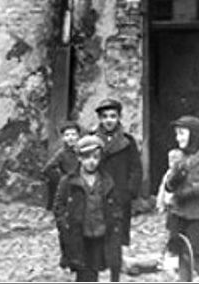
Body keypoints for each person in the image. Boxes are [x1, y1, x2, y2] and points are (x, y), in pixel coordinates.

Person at [53, 134, 123, 282]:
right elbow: (59, 206)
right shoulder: (69, 181)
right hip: (79, 234)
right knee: (83, 271)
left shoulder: (106, 181)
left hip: (100, 233)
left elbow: (116, 205)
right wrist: (64, 225)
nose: (92, 162)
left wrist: (115, 222)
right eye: (87, 157)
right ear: (79, 158)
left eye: (96, 157)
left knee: (95, 269)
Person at [164, 115, 199, 282]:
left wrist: (191, 190)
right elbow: (169, 186)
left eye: (182, 133)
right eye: (177, 134)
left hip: (198, 215)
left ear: (194, 135)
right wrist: (174, 178)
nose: (178, 138)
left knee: (194, 257)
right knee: (181, 253)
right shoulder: (179, 157)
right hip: (178, 213)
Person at [94, 98, 142, 267]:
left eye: (113, 116)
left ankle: (116, 261)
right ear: (100, 119)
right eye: (105, 116)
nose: (109, 120)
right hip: (98, 192)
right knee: (97, 225)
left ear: (119, 118)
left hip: (120, 193)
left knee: (118, 228)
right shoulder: (92, 140)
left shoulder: (128, 142)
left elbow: (136, 168)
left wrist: (130, 191)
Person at [156, 148, 188, 273]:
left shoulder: (182, 174)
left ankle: (176, 258)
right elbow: (162, 189)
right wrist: (160, 203)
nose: (172, 163)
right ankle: (167, 257)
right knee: (169, 230)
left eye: (176, 160)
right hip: (170, 207)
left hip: (179, 207)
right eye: (170, 160)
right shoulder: (168, 174)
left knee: (176, 232)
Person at [42, 120, 80, 210]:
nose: (70, 138)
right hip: (68, 187)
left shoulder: (83, 150)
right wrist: (62, 178)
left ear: (78, 136)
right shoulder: (61, 153)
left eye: (73, 135)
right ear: (63, 138)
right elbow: (47, 169)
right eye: (67, 135)